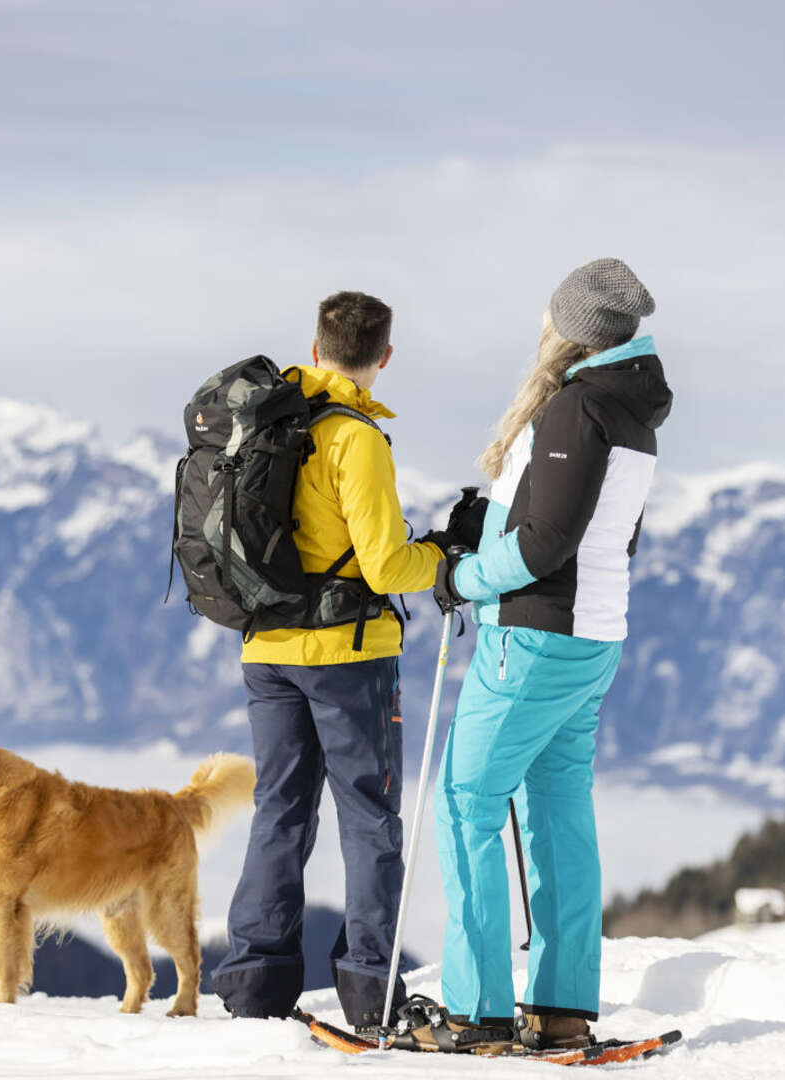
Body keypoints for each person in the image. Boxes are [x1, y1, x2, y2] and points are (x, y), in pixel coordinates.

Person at [212, 290, 484, 1030]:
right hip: (346, 658)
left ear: (315, 344)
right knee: (368, 817)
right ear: (384, 356)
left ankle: (254, 987)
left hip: (266, 649)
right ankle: (369, 989)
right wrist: (446, 551)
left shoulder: (270, 417)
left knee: (280, 811)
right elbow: (387, 565)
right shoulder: (353, 436)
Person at [424, 258, 672, 1051]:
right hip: (593, 637)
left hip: (532, 638)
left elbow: (545, 544)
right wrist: (490, 528)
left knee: (465, 804)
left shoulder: (576, 410)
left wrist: (461, 575)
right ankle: (560, 1004)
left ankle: (478, 1011)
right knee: (557, 811)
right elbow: (608, 535)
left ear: (568, 329)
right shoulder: (632, 414)